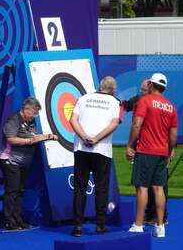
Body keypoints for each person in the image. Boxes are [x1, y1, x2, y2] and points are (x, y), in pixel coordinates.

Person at [70, 76, 122, 237]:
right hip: (102, 150)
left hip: (81, 148)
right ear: (113, 89)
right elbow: (114, 124)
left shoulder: (83, 98)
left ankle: (78, 226)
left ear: (100, 86)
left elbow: (73, 120)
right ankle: (100, 225)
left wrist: (85, 137)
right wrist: (96, 139)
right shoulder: (116, 102)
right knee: (101, 187)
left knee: (80, 187)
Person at [126, 73, 177, 238]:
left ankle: (138, 225)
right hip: (162, 152)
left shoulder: (145, 101)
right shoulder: (171, 107)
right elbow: (173, 135)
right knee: (159, 188)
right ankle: (160, 226)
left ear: (152, 85)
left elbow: (136, 125)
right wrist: (169, 152)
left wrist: (130, 145)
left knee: (142, 188)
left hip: (146, 150)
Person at [0, 96, 58, 231]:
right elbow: (11, 139)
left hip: (23, 162)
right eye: (34, 112)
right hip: (9, 160)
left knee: (20, 190)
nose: (35, 116)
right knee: (12, 191)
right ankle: (8, 221)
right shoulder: (13, 120)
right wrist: (28, 141)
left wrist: (49, 136)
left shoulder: (30, 122)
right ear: (26, 109)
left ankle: (18, 220)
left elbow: (35, 136)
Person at [123, 79, 169, 225]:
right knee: (150, 185)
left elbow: (165, 127)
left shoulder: (156, 104)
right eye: (141, 90)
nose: (142, 92)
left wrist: (129, 145)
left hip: (151, 148)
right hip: (145, 145)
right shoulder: (139, 99)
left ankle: (156, 218)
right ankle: (149, 215)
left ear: (151, 88)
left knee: (154, 185)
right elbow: (124, 105)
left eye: (144, 90)